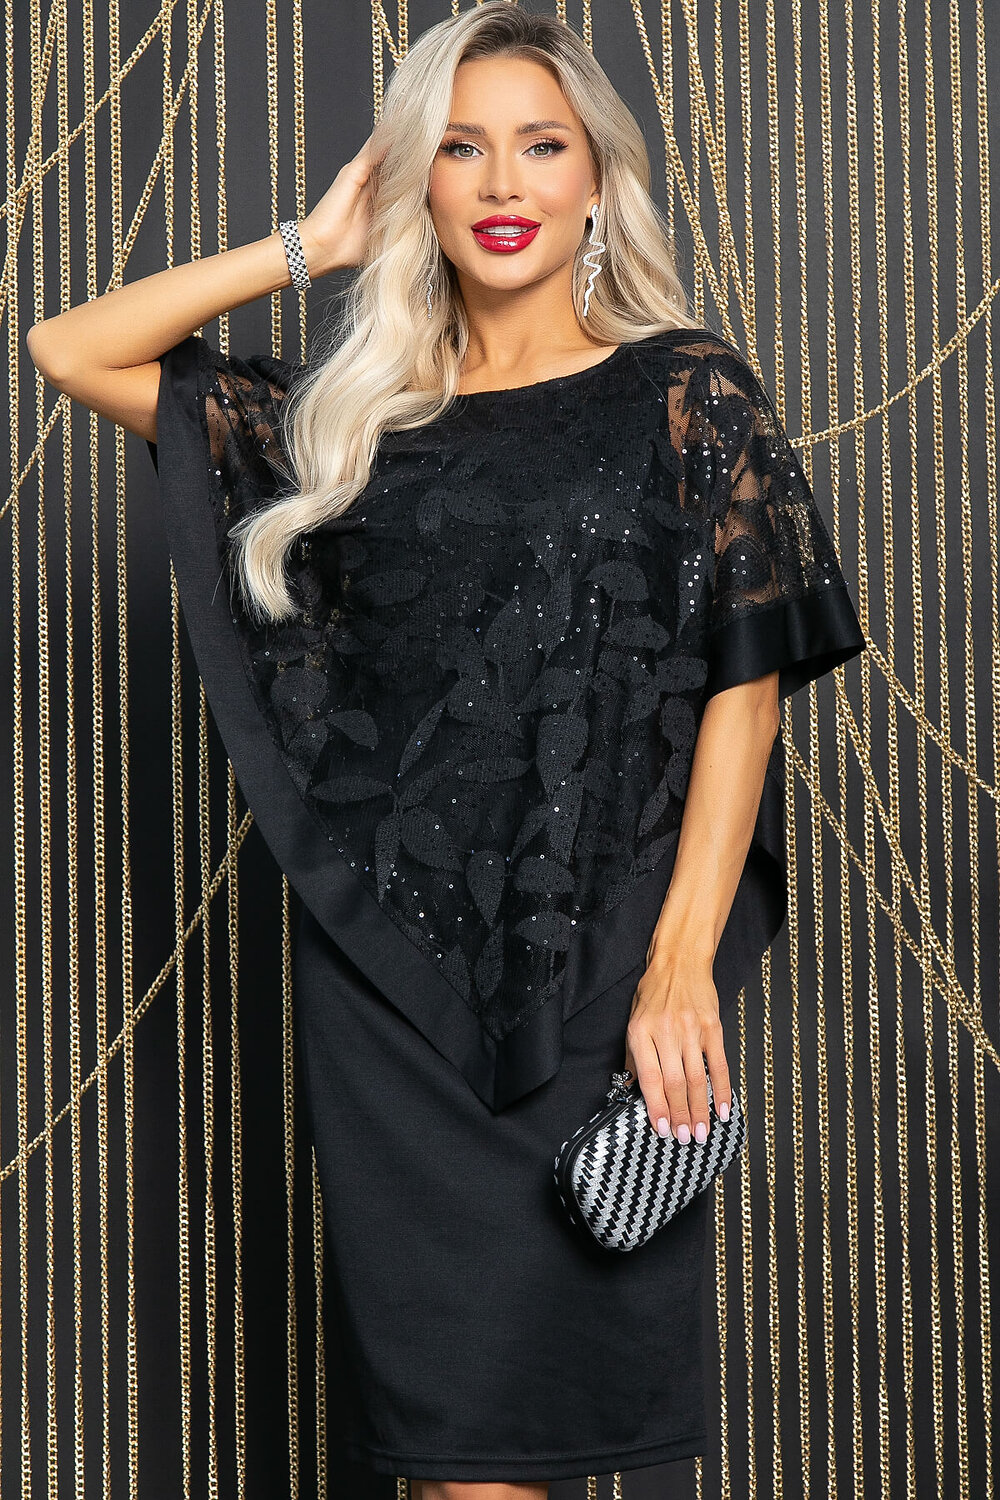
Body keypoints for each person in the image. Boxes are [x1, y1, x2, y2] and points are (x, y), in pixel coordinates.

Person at [26, 4, 866, 1494]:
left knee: (524, 1442)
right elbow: (67, 346)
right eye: (461, 148)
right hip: (393, 987)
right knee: (443, 1458)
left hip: (604, 963)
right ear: (417, 177)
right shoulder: (354, 423)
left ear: (598, 179)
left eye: (542, 145)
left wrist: (681, 961)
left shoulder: (687, 392)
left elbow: (747, 681)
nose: (503, 182)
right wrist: (312, 244)